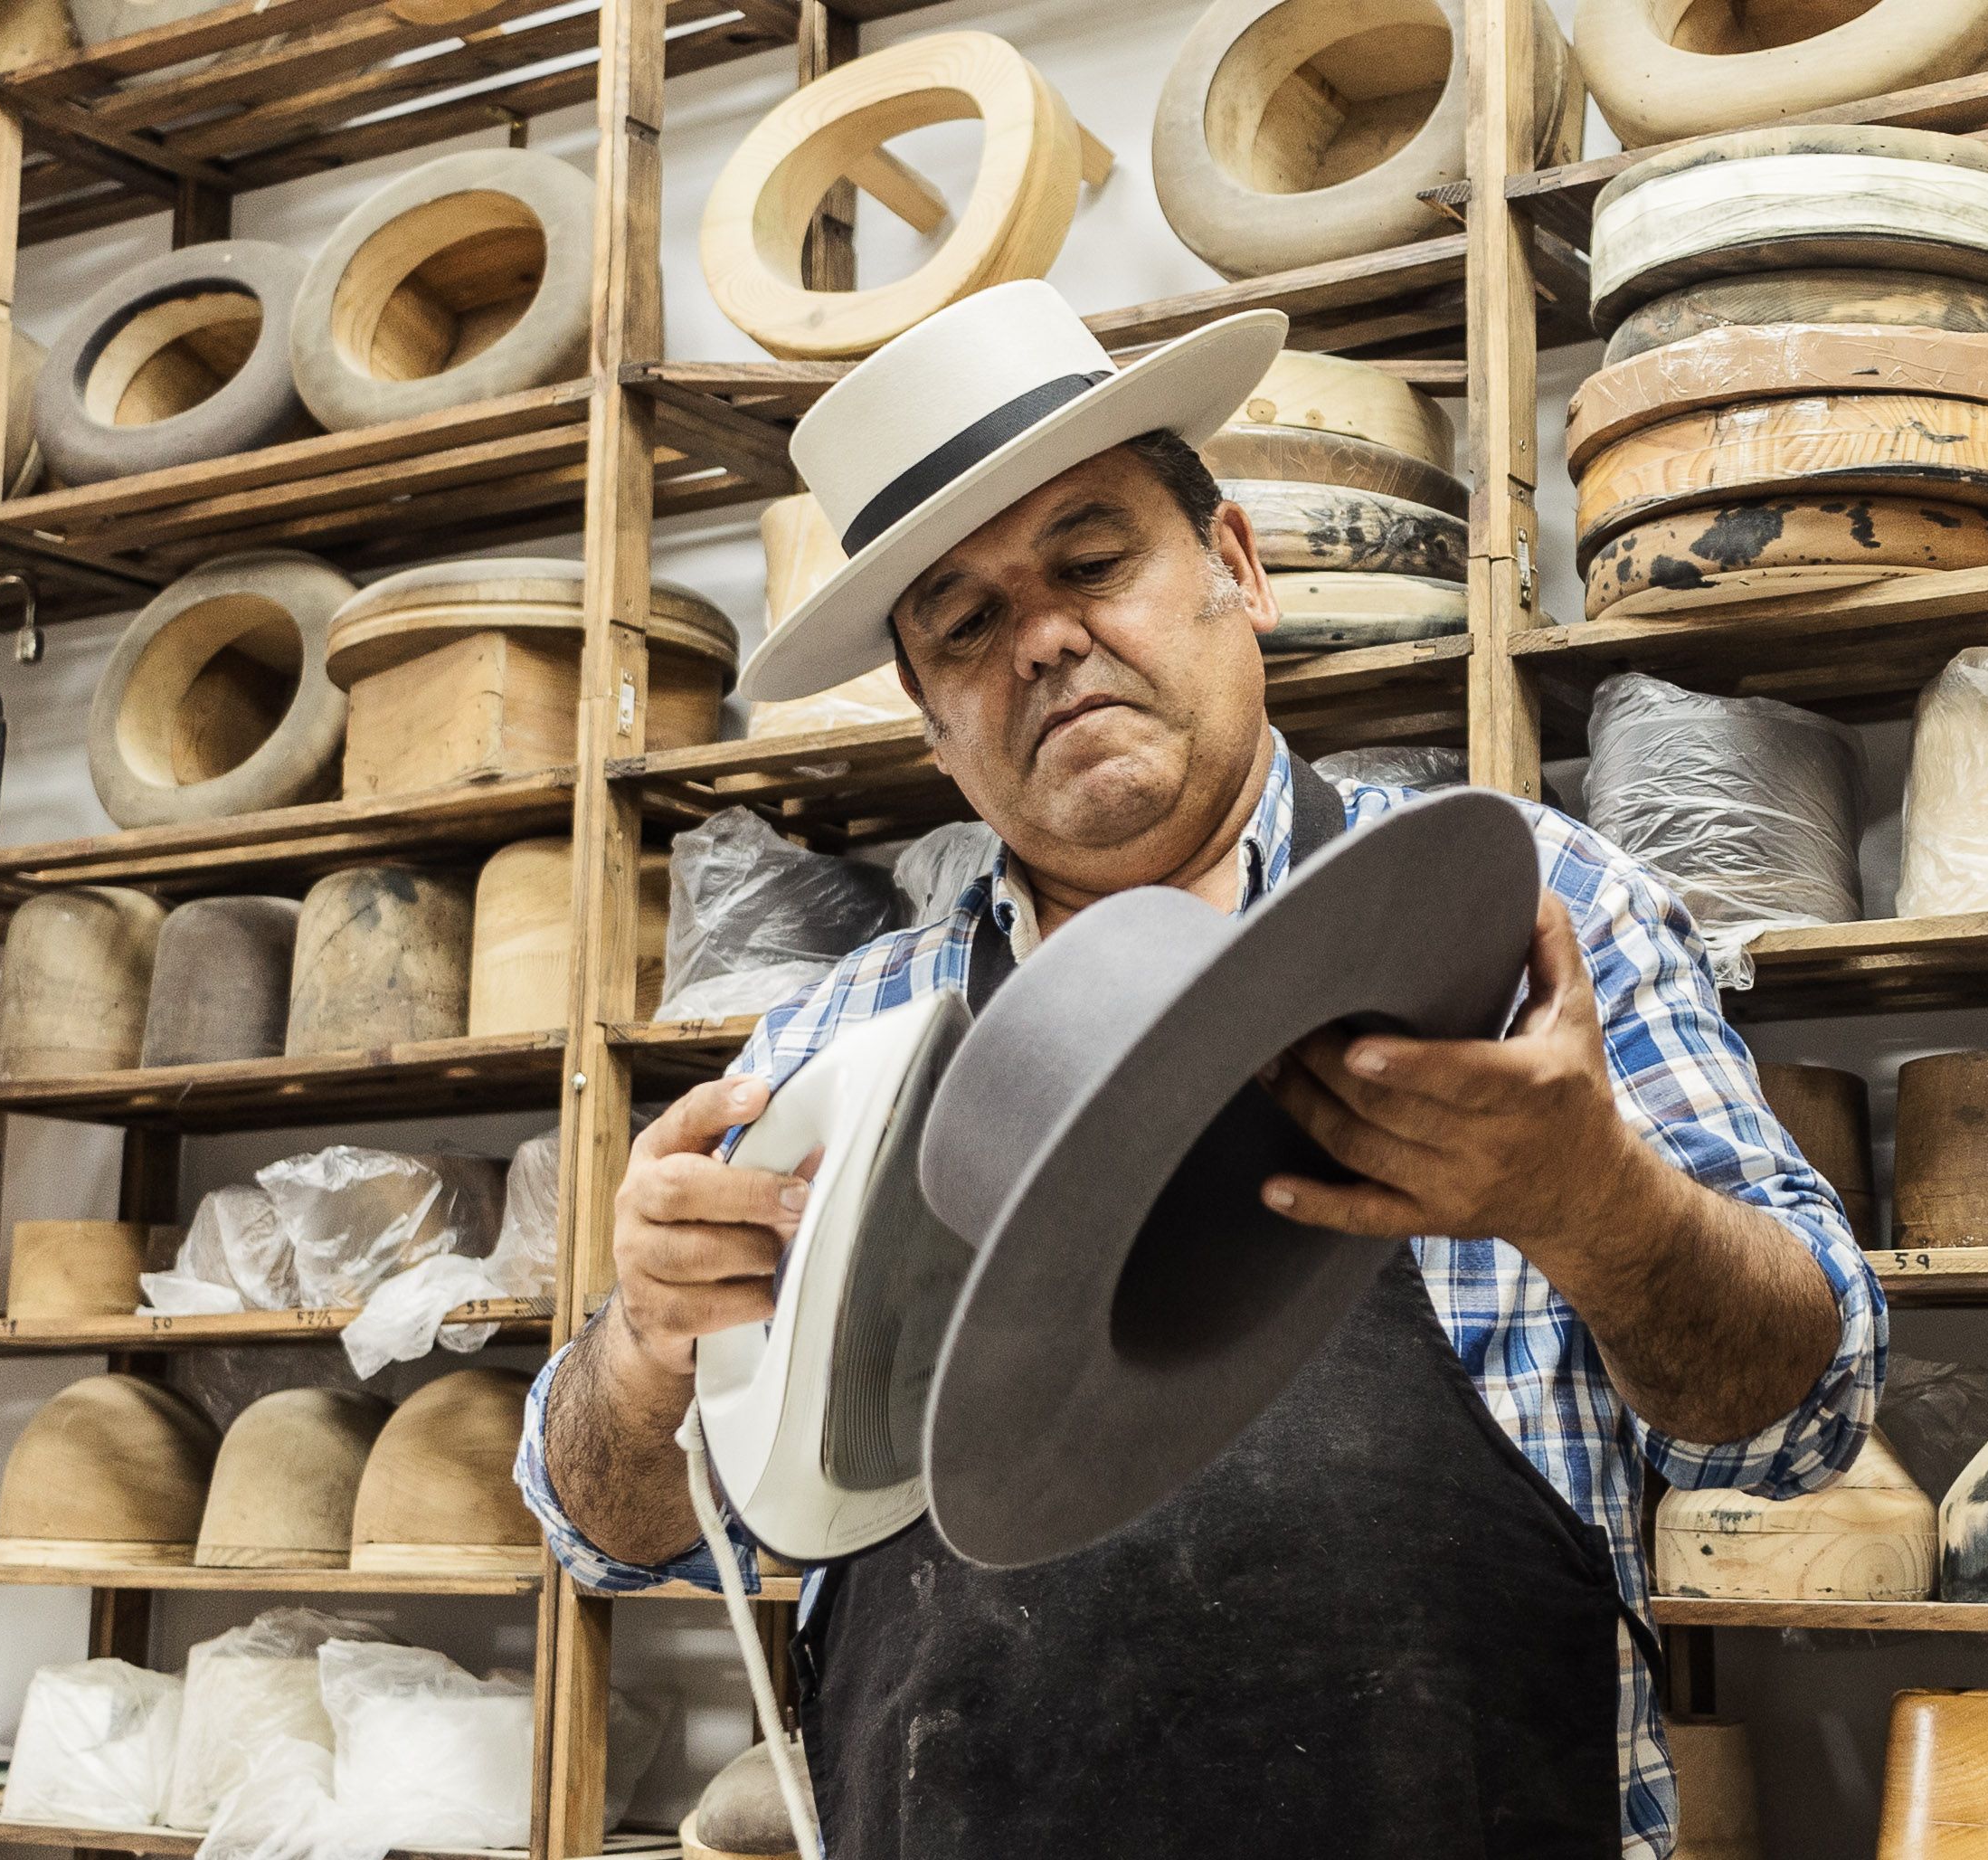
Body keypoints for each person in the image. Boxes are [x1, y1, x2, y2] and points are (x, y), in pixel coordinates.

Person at [516, 280, 1885, 1859]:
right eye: (964, 624)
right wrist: (647, 1343)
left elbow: (1806, 1417)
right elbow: (606, 1537)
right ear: (930, 723)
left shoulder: (1534, 927)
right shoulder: (836, 1048)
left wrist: (1601, 1207)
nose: (1043, 639)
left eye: (1094, 561)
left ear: (1235, 570)